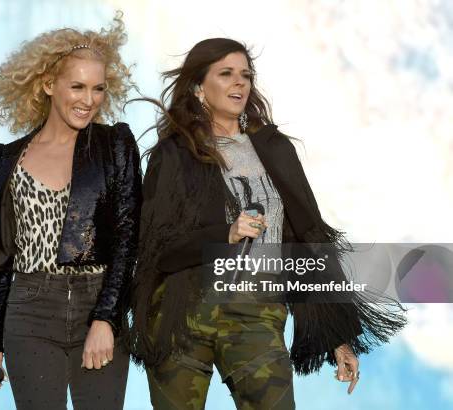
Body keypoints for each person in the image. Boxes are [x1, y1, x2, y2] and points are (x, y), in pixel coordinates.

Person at [125, 38, 407, 409]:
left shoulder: (274, 149)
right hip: (184, 310)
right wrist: (223, 234)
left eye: (245, 75)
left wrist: (336, 337)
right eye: (226, 74)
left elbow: (303, 239)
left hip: (257, 309)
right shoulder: (175, 154)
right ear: (198, 86)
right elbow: (155, 247)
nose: (239, 83)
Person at [0, 12, 141, 410]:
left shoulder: (115, 147)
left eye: (98, 88)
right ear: (47, 85)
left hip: (97, 301)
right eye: (77, 86)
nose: (88, 99)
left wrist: (106, 318)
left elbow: (129, 238)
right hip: (29, 310)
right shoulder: (0, 162)